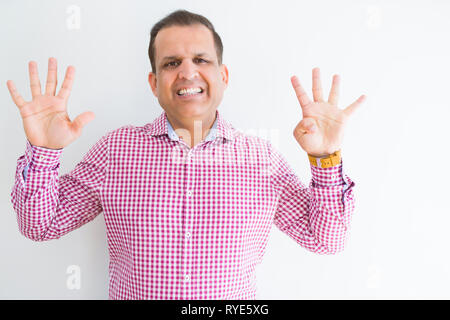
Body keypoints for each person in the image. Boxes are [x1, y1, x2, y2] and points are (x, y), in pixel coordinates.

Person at [8, 9, 366, 300]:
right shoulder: (115, 151)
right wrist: (44, 151)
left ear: (223, 76)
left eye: (200, 59)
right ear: (154, 83)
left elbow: (326, 240)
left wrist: (326, 157)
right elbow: (40, 226)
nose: (187, 72)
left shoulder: (261, 159)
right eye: (171, 63)